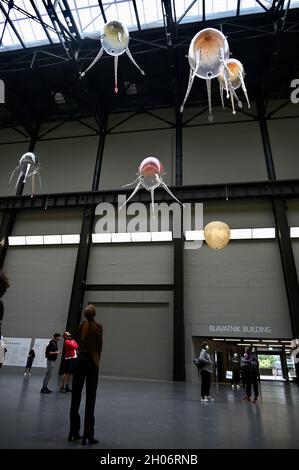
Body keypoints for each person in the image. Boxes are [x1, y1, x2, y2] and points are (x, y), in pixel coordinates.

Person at [69, 304, 103, 445]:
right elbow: (99, 346)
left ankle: (73, 432)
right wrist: (97, 361)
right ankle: (88, 435)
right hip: (92, 361)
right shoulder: (98, 327)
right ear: (94, 315)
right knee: (91, 397)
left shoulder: (80, 326)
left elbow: (77, 342)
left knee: (75, 396)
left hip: (80, 360)